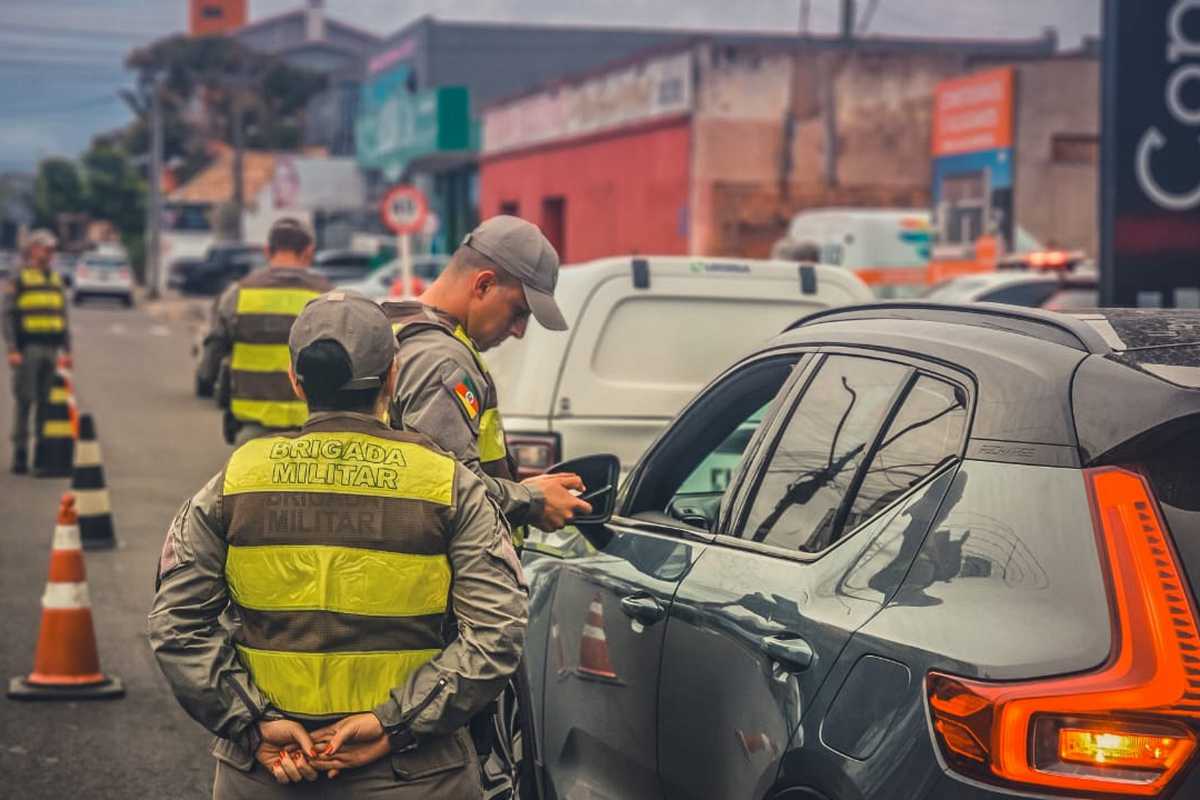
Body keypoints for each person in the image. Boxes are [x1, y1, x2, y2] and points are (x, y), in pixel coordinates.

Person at [149, 290, 526, 799]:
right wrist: (393, 724)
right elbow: (496, 633)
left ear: (296, 382)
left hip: (267, 773)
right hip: (415, 777)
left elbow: (176, 624)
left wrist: (252, 724)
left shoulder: (236, 480)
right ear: (392, 378)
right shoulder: (450, 485)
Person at [383, 215, 592, 535]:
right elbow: (445, 488)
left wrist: (522, 489)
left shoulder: (394, 325)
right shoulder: (441, 359)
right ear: (483, 284)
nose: (520, 331)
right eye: (518, 311)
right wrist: (531, 500)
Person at [198, 217, 332, 445]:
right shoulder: (326, 297)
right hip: (309, 430)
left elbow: (214, 349)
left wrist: (208, 379)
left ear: (267, 250)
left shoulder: (238, 294)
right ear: (309, 251)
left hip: (252, 428)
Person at [3, 229, 70, 474]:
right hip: (28, 349)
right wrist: (12, 348)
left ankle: (41, 455)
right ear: (33, 250)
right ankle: (20, 454)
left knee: (45, 403)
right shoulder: (20, 278)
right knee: (24, 401)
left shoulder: (54, 278)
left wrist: (67, 350)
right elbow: (8, 315)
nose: (50, 253)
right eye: (46, 248)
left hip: (51, 349)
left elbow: (62, 316)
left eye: (52, 250)